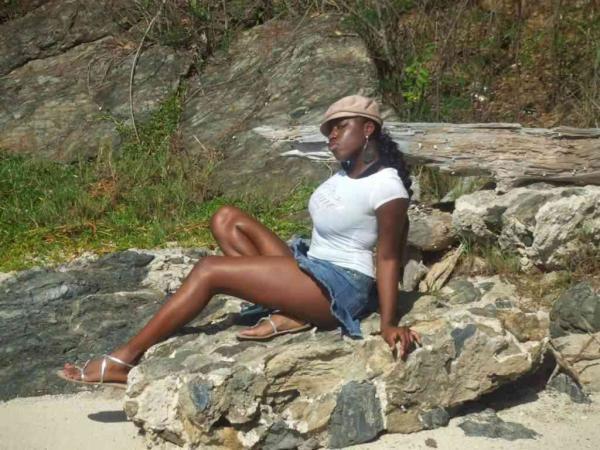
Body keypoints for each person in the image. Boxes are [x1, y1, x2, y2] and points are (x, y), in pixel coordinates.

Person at [58, 95, 420, 386]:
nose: (332, 136)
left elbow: (388, 257)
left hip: (339, 286)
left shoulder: (386, 185)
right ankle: (293, 312)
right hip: (311, 264)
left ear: (368, 128)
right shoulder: (345, 174)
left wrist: (388, 323)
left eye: (340, 127)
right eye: (329, 130)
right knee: (226, 218)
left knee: (210, 270)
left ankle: (123, 359)